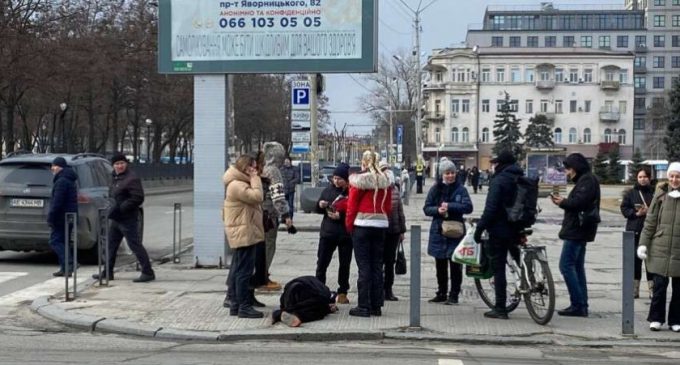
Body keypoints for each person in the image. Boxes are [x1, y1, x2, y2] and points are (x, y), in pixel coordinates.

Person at [474, 150, 524, 319]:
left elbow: (491, 209)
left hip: (500, 229)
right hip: (518, 227)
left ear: (501, 164)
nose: (494, 166)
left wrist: (480, 228)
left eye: (495, 163)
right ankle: (529, 284)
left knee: (499, 267)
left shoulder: (499, 181)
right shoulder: (521, 178)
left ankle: (501, 308)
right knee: (519, 261)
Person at [550, 152, 600, 317]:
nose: (567, 172)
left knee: (566, 266)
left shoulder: (587, 180)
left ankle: (578, 304)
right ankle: (581, 304)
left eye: (568, 169)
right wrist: (564, 201)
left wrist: (563, 202)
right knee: (577, 267)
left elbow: (579, 203)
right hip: (580, 230)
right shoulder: (585, 180)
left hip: (578, 230)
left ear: (576, 167)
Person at [93, 153, 154, 283]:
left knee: (134, 245)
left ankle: (148, 272)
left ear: (126, 164)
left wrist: (122, 207)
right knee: (111, 246)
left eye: (122, 163)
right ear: (113, 165)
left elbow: (138, 197)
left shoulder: (131, 178)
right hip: (116, 218)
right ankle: (107, 272)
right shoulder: (115, 177)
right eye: (116, 164)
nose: (119, 166)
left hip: (127, 218)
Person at [346, 151, 391, 317]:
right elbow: (388, 207)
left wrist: (349, 226)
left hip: (362, 225)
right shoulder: (385, 181)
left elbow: (352, 205)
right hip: (380, 225)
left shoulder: (359, 181)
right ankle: (376, 305)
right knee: (377, 266)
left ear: (364, 162)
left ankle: (363, 306)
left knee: (364, 266)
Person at [637, 162, 680, 332]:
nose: (675, 179)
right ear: (668, 177)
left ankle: (676, 320)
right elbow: (650, 222)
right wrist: (643, 244)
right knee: (659, 287)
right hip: (660, 248)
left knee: (679, 290)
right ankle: (656, 318)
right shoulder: (660, 196)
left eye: (678, 176)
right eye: (672, 176)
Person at [425, 159, 473, 305]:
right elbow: (427, 208)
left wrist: (450, 206)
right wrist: (438, 210)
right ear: (442, 175)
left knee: (455, 265)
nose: (450, 176)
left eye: (452, 173)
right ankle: (441, 292)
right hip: (438, 231)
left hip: (456, 232)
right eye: (447, 173)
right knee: (440, 265)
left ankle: (454, 295)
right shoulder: (435, 189)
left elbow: (468, 207)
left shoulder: (461, 189)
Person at [222, 154, 265, 318]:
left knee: (241, 268)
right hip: (243, 232)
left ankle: (236, 304)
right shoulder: (237, 185)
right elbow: (257, 197)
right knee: (244, 271)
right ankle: (243, 306)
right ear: (245, 168)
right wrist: (255, 179)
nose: (255, 171)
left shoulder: (239, 183)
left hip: (244, 230)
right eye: (252, 167)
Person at [315, 163, 353, 304]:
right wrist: (320, 205)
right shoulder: (328, 190)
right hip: (328, 233)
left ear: (346, 179)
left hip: (345, 234)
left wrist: (341, 217)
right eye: (334, 178)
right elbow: (318, 209)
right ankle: (319, 289)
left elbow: (353, 212)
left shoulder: (351, 192)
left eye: (339, 179)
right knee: (322, 262)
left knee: (344, 264)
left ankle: (343, 291)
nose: (336, 181)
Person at [259, 142, 294, 291]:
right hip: (269, 216)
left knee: (260, 247)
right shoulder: (274, 172)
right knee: (268, 245)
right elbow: (277, 195)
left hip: (259, 213)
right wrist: (286, 215)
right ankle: (262, 278)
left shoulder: (262, 169)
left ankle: (260, 275)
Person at [620, 167, 655, 299]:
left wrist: (649, 212)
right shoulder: (631, 193)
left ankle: (652, 289)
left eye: (645, 177)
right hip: (634, 230)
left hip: (651, 232)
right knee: (635, 261)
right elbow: (624, 209)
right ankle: (635, 289)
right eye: (640, 177)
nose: (642, 179)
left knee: (650, 261)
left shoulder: (655, 193)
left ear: (649, 178)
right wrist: (636, 213)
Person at [380, 161, 407, 301]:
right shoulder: (376, 189)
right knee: (379, 261)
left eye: (388, 169)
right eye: (383, 169)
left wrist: (402, 230)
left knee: (390, 262)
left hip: (393, 231)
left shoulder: (395, 190)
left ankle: (388, 290)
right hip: (379, 231)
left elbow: (400, 211)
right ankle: (378, 289)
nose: (386, 172)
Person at [47, 157, 78, 277]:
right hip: (69, 215)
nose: (52, 168)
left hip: (61, 216)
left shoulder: (62, 181)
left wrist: (51, 217)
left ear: (60, 167)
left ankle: (69, 264)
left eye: (54, 166)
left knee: (55, 241)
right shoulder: (68, 178)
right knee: (64, 241)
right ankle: (65, 268)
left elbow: (57, 202)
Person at [271, 276, 338, 327]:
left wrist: (283, 306)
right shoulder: (326, 293)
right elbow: (324, 299)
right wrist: (327, 309)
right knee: (319, 311)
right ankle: (287, 314)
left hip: (290, 289)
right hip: (307, 292)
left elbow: (283, 297)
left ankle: (283, 311)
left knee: (294, 305)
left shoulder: (317, 284)